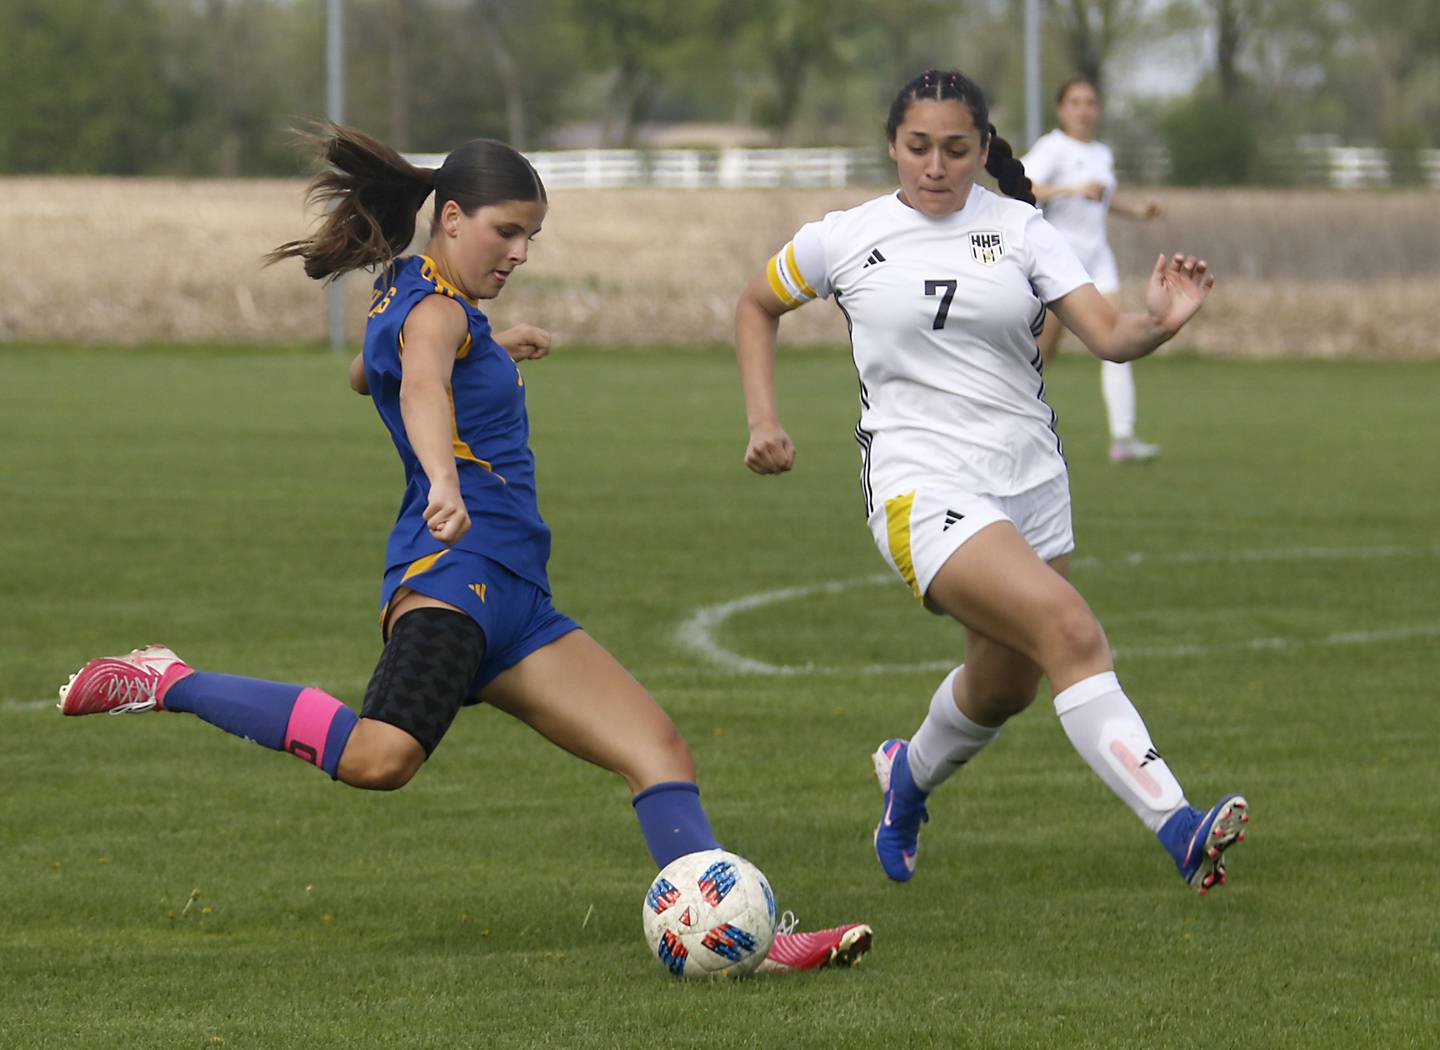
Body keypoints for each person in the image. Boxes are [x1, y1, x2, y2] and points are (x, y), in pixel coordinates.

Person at [58, 125, 870, 972]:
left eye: (532, 237)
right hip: (454, 578)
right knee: (381, 759)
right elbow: (414, 384)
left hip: (518, 599)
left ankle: (747, 938)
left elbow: (370, 370)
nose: (520, 251)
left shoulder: (421, 301)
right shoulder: (438, 313)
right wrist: (442, 477)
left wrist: (488, 344)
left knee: (655, 749)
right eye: (506, 231)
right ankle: (168, 680)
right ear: (450, 216)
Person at [733, 70, 1248, 895]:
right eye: (917, 148)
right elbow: (756, 304)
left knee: (1005, 685)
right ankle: (1180, 825)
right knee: (1070, 631)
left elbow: (1110, 336)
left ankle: (908, 780)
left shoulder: (1022, 230)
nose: (935, 167)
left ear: (982, 148)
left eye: (955, 149)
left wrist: (1160, 319)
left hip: (1031, 479)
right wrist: (764, 420)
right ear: (892, 145)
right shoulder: (844, 236)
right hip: (918, 483)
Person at [1021, 76, 1166, 463]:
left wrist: (1137, 211)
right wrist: (1070, 189)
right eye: (1075, 102)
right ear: (1061, 109)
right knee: (1039, 355)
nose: (1083, 110)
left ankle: (1123, 439)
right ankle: (1005, 423)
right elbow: (1021, 186)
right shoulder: (1052, 148)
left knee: (1117, 343)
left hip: (1098, 261)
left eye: (1090, 102)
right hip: (1057, 264)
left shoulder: (1101, 152)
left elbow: (1103, 199)